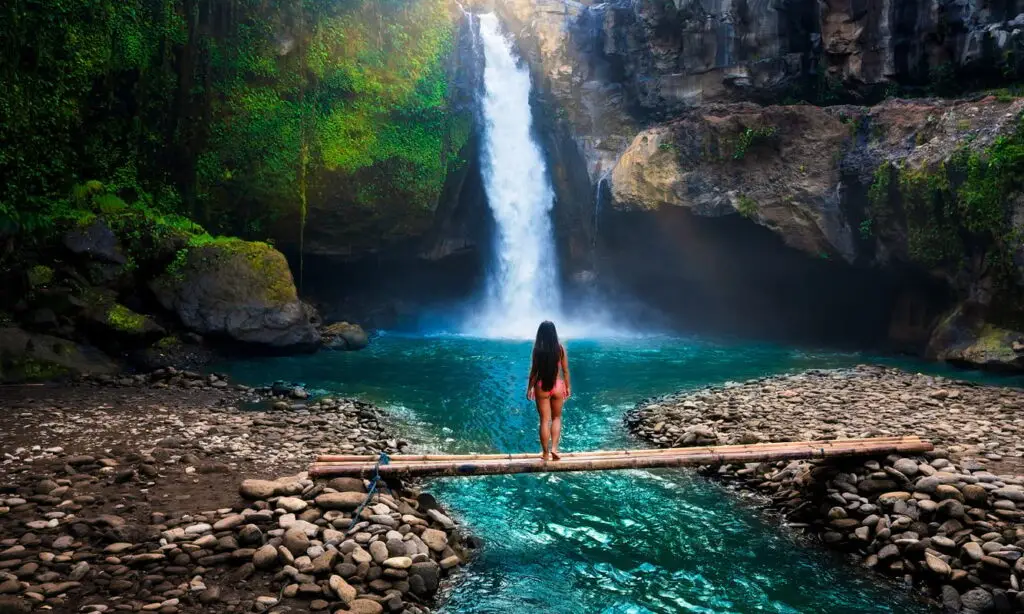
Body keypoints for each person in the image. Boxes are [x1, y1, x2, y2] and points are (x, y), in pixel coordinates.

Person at [526, 321, 571, 461]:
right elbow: (565, 370)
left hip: (541, 386)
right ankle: (554, 449)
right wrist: (567, 387)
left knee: (545, 420)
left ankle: (545, 454)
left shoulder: (537, 350)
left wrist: (529, 388)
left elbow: (534, 371)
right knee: (557, 418)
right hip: (558, 385)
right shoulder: (560, 349)